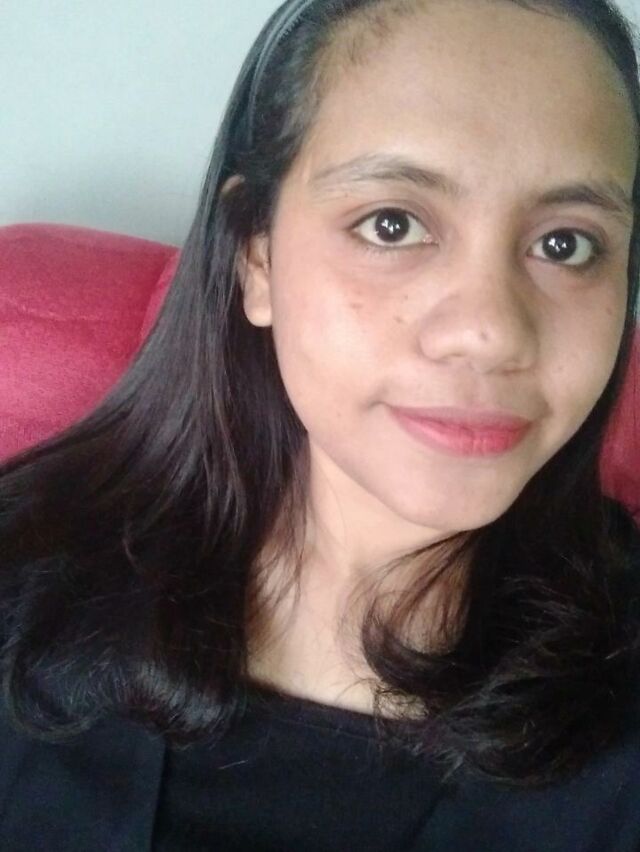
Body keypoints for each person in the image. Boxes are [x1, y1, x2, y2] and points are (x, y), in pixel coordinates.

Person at [1, 0, 640, 848]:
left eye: (567, 244)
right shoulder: (22, 580)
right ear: (256, 256)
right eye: (392, 224)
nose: (490, 331)